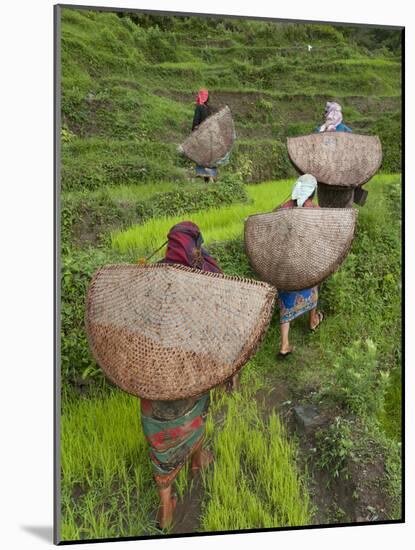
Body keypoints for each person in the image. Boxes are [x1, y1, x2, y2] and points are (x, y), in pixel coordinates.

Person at [140, 222, 222, 529]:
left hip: (152, 371)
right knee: (195, 413)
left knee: (159, 434)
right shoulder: (205, 275)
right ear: (195, 244)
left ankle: (166, 505)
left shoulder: (149, 279)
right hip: (191, 369)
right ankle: (197, 461)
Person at [277, 175, 325, 357]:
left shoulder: (283, 208)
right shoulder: (315, 209)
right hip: (307, 262)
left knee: (287, 297)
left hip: (286, 263)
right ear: (313, 191)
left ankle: (284, 344)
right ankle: (313, 320)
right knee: (313, 287)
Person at [192, 89, 217, 183]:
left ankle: (203, 174)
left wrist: (193, 133)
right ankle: (211, 176)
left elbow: (195, 122)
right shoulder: (209, 108)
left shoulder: (199, 107)